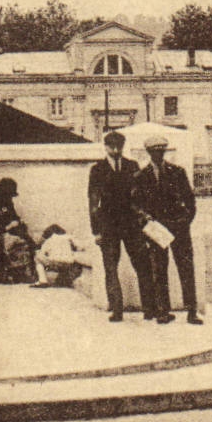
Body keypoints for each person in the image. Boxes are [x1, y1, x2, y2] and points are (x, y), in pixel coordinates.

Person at [132, 135, 202, 325]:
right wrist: (146, 220)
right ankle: (163, 311)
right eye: (155, 151)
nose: (158, 154)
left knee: (186, 269)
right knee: (159, 270)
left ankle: (191, 311)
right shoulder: (140, 176)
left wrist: (184, 221)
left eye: (161, 151)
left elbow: (190, 201)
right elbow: (136, 204)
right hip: (157, 230)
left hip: (179, 227)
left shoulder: (177, 172)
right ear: (149, 153)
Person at [87, 130, 155, 322]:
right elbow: (93, 202)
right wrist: (96, 231)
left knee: (143, 265)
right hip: (108, 226)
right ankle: (116, 309)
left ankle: (149, 309)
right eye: (112, 146)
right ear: (106, 147)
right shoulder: (97, 169)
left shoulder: (132, 166)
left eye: (119, 146)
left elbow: (140, 196)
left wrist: (143, 222)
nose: (116, 150)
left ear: (123, 146)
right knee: (111, 267)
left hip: (131, 225)